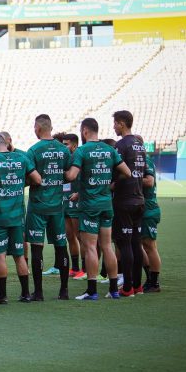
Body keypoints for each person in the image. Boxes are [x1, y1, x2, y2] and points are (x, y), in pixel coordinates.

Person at [65, 118, 131, 301]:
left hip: (89, 206)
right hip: (106, 204)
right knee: (107, 246)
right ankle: (113, 290)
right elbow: (127, 172)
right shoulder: (109, 150)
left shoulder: (82, 150)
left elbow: (71, 176)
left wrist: (57, 174)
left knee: (91, 247)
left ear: (85, 131)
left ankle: (92, 291)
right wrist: (109, 185)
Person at [0, 134, 41, 304]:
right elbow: (37, 179)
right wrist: (19, 183)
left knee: (0, 256)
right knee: (19, 255)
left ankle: (2, 295)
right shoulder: (22, 158)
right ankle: (26, 293)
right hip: (18, 215)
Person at [25, 115, 71, 300]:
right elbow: (69, 175)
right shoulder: (63, 150)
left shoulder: (34, 150)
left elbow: (31, 178)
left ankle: (39, 292)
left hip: (38, 205)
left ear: (38, 128)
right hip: (57, 205)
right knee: (61, 246)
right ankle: (64, 291)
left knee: (37, 248)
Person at [112, 110, 147, 295]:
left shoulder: (121, 145)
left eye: (115, 123)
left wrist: (111, 184)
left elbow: (118, 172)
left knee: (124, 244)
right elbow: (143, 172)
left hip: (124, 200)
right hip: (139, 199)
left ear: (122, 124)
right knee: (136, 243)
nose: (114, 127)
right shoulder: (140, 145)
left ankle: (127, 288)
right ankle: (138, 286)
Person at [57, 132, 86, 280]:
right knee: (70, 236)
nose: (64, 146)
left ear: (74, 145)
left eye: (66, 144)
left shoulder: (79, 158)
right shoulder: (64, 158)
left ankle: (85, 268)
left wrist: (79, 193)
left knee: (80, 236)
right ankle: (74, 268)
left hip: (76, 202)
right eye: (63, 144)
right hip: (65, 201)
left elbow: (88, 179)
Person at [141, 150, 161, 293]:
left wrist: (131, 178)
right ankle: (149, 279)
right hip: (142, 209)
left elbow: (149, 181)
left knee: (150, 246)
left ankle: (154, 283)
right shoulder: (140, 160)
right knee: (141, 245)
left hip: (148, 209)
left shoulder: (145, 160)